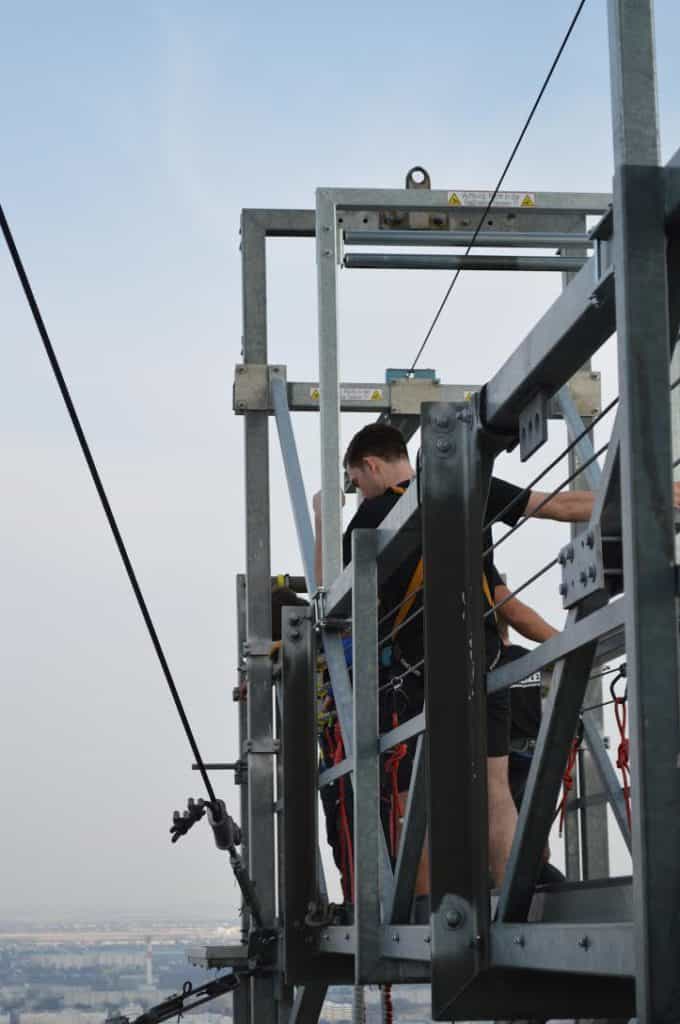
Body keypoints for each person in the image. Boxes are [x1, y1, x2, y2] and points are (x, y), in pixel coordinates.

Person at [313, 422, 599, 886]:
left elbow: (332, 608)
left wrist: (322, 518)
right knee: (495, 789)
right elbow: (558, 506)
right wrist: (652, 493)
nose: (361, 493)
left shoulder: (370, 520)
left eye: (359, 482)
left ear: (370, 465)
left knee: (409, 797)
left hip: (414, 674)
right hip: (484, 663)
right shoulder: (472, 490)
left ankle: (421, 915)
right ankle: (513, 903)